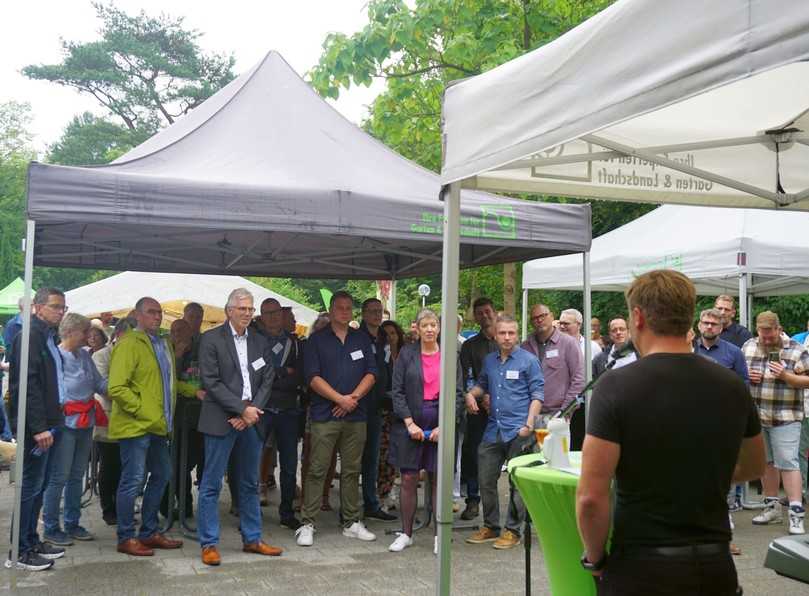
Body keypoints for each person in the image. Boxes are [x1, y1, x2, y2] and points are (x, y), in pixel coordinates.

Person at [577, 270, 766, 596]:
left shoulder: (616, 386)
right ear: (689, 316)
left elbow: (591, 497)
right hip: (714, 565)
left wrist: (594, 560)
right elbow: (754, 467)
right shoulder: (732, 385)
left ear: (637, 317)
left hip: (641, 567)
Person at [195, 288, 282, 565]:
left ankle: (253, 538)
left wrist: (250, 410)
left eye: (250, 309)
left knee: (248, 483)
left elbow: (268, 377)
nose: (247, 313)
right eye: (242, 309)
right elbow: (211, 381)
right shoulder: (211, 339)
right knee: (210, 484)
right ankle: (209, 543)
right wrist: (240, 409)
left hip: (251, 419)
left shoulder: (259, 340)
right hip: (221, 418)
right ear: (228, 310)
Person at [297, 291, 378, 547]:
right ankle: (307, 523)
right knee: (317, 469)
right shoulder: (316, 341)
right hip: (326, 414)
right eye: (339, 308)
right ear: (331, 311)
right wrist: (338, 399)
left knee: (352, 470)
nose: (344, 312)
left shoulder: (362, 339)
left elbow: (372, 372)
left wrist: (351, 398)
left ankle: (351, 522)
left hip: (357, 414)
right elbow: (312, 377)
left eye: (348, 308)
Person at [108, 297, 183, 556]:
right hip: (136, 426)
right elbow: (116, 386)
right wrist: (142, 409)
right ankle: (126, 537)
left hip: (157, 425)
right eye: (151, 312)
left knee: (163, 474)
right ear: (137, 315)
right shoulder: (129, 343)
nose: (157, 316)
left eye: (159, 312)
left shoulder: (162, 344)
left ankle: (149, 531)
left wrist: (190, 391)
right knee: (133, 480)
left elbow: (164, 382)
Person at [465, 314, 544, 549]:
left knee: (517, 482)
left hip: (520, 430)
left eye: (511, 333)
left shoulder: (528, 361)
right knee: (486, 478)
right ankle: (490, 525)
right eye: (502, 333)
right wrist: (471, 394)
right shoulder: (490, 360)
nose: (507, 337)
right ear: (495, 335)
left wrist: (529, 423)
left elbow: (538, 395)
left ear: (517, 334)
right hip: (494, 429)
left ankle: (512, 530)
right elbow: (482, 385)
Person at [6, 288, 68, 570]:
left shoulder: (46, 336)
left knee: (40, 485)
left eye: (63, 307)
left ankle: (31, 540)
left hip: (53, 423)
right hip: (39, 427)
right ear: (38, 307)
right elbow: (27, 386)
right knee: (31, 486)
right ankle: (19, 549)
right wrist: (38, 427)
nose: (60, 312)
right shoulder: (29, 336)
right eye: (56, 306)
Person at [388, 308, 459, 553]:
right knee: (408, 478)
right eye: (425, 325)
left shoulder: (450, 355)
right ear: (416, 329)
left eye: (434, 325)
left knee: (438, 479)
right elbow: (396, 391)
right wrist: (409, 422)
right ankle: (406, 533)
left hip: (440, 421)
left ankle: (441, 535)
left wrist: (444, 425)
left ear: (439, 328)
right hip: (411, 423)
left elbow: (457, 394)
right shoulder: (406, 354)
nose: (430, 329)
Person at [42, 313, 108, 545]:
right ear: (70, 332)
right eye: (84, 331)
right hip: (66, 424)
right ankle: (51, 526)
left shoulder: (84, 356)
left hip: (86, 422)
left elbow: (99, 383)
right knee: (59, 476)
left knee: (77, 475)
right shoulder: (57, 356)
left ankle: (72, 522)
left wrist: (122, 388)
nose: (88, 336)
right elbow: (55, 392)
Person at [743, 310, 809, 534]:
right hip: (758, 415)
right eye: (763, 336)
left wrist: (786, 376)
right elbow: (739, 375)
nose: (767, 340)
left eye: (770, 336)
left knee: (788, 462)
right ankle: (772, 507)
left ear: (779, 330)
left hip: (786, 416)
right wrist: (747, 377)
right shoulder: (749, 346)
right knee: (765, 462)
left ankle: (796, 513)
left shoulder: (796, 350)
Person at [695, 308, 750, 555]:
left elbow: (743, 388)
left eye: (713, 324)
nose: (709, 327)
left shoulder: (733, 353)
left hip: (721, 423)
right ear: (698, 325)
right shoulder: (687, 350)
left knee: (721, 481)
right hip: (688, 423)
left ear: (721, 327)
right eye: (705, 323)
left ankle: (724, 538)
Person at [251, 297, 304, 531]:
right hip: (261, 408)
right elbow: (254, 372)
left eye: (276, 312)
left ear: (282, 315)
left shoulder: (296, 343)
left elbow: (301, 375)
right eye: (267, 313)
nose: (272, 317)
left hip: (288, 409)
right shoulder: (253, 341)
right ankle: (250, 511)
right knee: (252, 460)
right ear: (261, 315)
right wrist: (283, 373)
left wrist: (274, 375)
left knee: (290, 463)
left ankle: (286, 512)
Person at [93, 316, 136, 526]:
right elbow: (106, 388)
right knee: (110, 465)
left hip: (130, 419)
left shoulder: (133, 354)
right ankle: (108, 509)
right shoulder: (101, 356)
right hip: (107, 418)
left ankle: (122, 508)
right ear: (119, 335)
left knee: (126, 467)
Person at [160, 318, 205, 520]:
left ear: (190, 332)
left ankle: (177, 504)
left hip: (197, 415)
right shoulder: (167, 350)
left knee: (186, 462)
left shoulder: (200, 349)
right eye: (174, 330)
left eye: (181, 330)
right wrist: (177, 356)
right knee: (176, 462)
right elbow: (168, 380)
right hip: (175, 416)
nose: (177, 334)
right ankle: (177, 505)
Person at [458, 297, 498, 521]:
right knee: (473, 455)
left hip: (505, 411)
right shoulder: (470, 346)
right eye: (479, 313)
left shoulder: (506, 340)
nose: (484, 316)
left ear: (494, 312)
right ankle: (473, 500)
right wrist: (477, 396)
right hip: (478, 411)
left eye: (487, 311)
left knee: (503, 456)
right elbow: (465, 376)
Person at [359, 298, 396, 522]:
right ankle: (352, 507)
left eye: (379, 311)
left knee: (373, 457)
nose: (376, 315)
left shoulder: (383, 338)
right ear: (363, 314)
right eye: (371, 311)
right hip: (358, 404)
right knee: (355, 459)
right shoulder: (356, 337)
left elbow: (388, 366)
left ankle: (371, 503)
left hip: (379, 405)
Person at [521, 304, 583, 416]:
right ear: (531, 322)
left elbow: (578, 379)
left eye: (543, 315)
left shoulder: (568, 343)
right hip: (528, 414)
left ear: (552, 316)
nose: (539, 320)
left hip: (558, 413)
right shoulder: (525, 347)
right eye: (535, 318)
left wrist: (565, 410)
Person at [378, 320, 404, 510]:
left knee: (398, 454)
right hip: (384, 411)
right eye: (385, 334)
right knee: (384, 455)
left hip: (402, 412)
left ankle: (391, 489)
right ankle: (383, 493)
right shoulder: (379, 355)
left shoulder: (406, 355)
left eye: (393, 333)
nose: (389, 337)